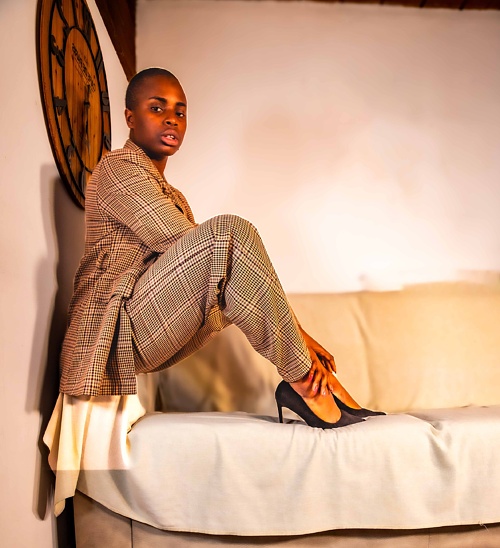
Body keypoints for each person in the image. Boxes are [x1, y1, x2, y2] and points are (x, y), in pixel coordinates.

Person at [59, 67, 383, 429]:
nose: (172, 119)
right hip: (112, 328)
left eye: (180, 112)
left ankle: (312, 379)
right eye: (157, 108)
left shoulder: (174, 196)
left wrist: (300, 334)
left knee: (236, 246)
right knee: (231, 233)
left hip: (145, 325)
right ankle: (308, 382)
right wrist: (301, 340)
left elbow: (229, 272)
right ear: (130, 118)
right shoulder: (117, 168)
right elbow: (188, 242)